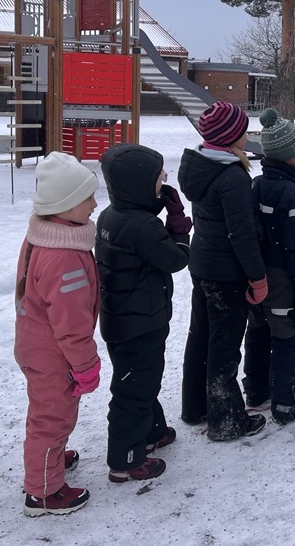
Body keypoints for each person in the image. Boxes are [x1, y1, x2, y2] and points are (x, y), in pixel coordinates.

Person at [95, 144, 191, 484]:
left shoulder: (112, 214)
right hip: (141, 321)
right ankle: (126, 459)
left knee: (140, 380)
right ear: (138, 183)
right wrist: (178, 228)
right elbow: (176, 259)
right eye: (157, 176)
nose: (164, 178)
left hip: (122, 319)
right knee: (133, 390)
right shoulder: (143, 226)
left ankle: (150, 432)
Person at [15, 151, 101, 516]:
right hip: (55, 353)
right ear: (65, 205)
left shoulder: (44, 233)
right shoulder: (64, 255)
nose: (95, 204)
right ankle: (44, 492)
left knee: (49, 412)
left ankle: (47, 461)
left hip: (36, 343)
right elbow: (71, 323)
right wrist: (86, 365)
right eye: (87, 198)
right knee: (53, 417)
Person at [178, 101, 269, 440]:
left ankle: (196, 406)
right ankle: (227, 419)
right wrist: (257, 277)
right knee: (225, 344)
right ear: (232, 137)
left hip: (202, 263)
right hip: (226, 271)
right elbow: (242, 235)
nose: (248, 135)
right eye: (244, 130)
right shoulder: (231, 177)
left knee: (200, 335)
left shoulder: (200, 165)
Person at [242, 109, 295, 425]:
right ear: (290, 155)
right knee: (286, 336)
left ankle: (257, 389)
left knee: (259, 328)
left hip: (260, 274)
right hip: (284, 276)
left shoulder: (258, 184)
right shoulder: (292, 192)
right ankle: (287, 403)